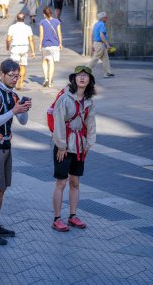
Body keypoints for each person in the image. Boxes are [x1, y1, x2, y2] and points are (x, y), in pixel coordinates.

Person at [0, 59, 32, 245]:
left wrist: (23, 108)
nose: (14, 79)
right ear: (1, 74)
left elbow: (23, 121)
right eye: (11, 76)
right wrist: (14, 110)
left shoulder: (13, 95)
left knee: (1, 190)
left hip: (5, 147)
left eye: (17, 76)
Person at [52, 66, 96, 232]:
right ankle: (57, 218)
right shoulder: (64, 98)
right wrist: (61, 145)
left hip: (79, 146)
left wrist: (89, 144)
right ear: (74, 79)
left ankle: (72, 216)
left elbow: (91, 123)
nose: (82, 78)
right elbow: (58, 123)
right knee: (61, 182)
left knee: (75, 182)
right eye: (79, 76)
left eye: (86, 76)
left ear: (90, 80)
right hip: (64, 145)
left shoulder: (89, 101)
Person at [6, 13, 35, 90]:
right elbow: (31, 39)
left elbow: (8, 39)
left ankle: (14, 81)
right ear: (24, 19)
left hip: (15, 48)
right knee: (23, 66)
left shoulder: (12, 27)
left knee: (14, 67)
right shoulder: (28, 28)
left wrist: (7, 46)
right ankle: (20, 82)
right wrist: (33, 51)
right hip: (24, 48)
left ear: (16, 18)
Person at [39, 7, 62, 88]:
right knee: (51, 63)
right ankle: (50, 82)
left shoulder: (42, 22)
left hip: (46, 44)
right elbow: (59, 33)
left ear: (44, 14)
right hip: (55, 45)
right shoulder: (57, 21)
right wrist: (60, 43)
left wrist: (40, 45)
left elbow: (41, 35)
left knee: (44, 61)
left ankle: (46, 78)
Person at [87, 12, 115, 78]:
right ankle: (85, 70)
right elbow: (102, 36)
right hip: (100, 44)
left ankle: (107, 73)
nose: (107, 19)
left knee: (105, 58)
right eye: (106, 17)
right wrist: (107, 45)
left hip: (96, 43)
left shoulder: (96, 24)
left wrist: (92, 45)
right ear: (103, 18)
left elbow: (92, 35)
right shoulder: (102, 24)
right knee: (95, 58)